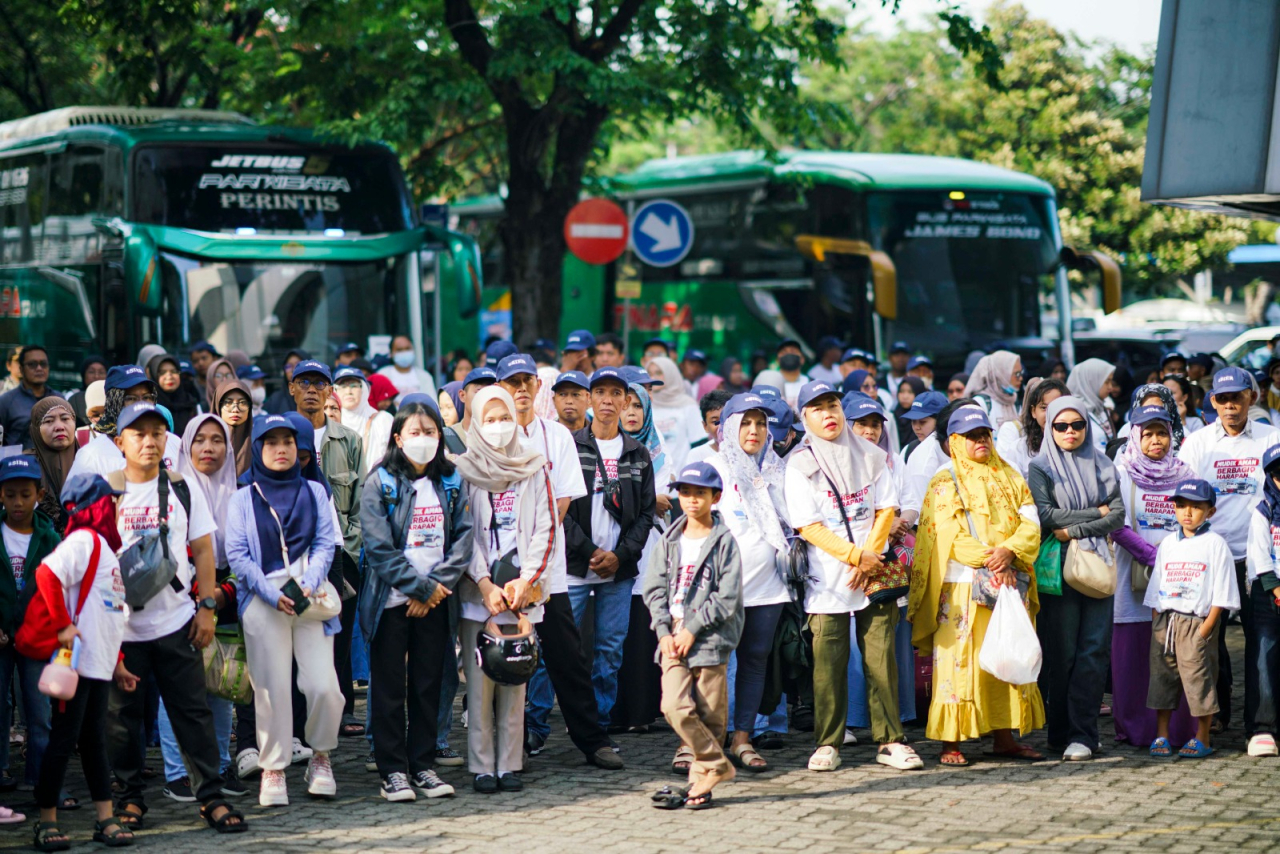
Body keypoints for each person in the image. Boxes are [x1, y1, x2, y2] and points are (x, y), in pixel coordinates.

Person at [105, 402, 245, 833]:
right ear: (120, 442)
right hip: (123, 631)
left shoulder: (182, 487)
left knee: (193, 713)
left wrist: (206, 608)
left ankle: (211, 797)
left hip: (177, 623)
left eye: (157, 433)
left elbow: (203, 549)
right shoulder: (105, 491)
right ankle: (129, 800)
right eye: (138, 434)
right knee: (122, 720)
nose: (149, 441)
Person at [492, 358, 622, 770]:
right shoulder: (490, 435)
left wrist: (533, 562)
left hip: (550, 567)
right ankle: (509, 744)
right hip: (498, 568)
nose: (521, 390)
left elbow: (562, 501)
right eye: (512, 383)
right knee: (503, 655)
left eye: (527, 381)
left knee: (567, 656)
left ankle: (591, 739)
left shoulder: (558, 437)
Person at [785, 381, 920, 772]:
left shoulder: (871, 455)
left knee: (881, 659)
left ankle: (890, 740)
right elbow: (808, 526)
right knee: (828, 663)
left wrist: (870, 557)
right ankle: (828, 742)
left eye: (833, 405)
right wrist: (855, 557)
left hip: (874, 576)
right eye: (817, 409)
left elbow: (886, 507)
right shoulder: (799, 464)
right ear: (804, 417)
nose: (828, 414)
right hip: (827, 581)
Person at [909, 405, 1045, 766]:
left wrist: (1010, 551)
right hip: (962, 589)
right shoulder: (945, 479)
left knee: (1004, 653)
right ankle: (951, 741)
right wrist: (992, 558)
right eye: (971, 436)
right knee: (960, 663)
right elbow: (947, 535)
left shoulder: (1011, 474)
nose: (980, 441)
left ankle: (1004, 737)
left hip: (1007, 582)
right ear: (954, 441)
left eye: (984, 433)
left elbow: (1030, 522)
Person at [225, 414, 342, 806]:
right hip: (264, 599)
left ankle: (320, 757)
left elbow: (327, 543)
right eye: (271, 442)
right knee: (271, 690)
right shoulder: (242, 497)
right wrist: (271, 594)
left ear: (299, 449)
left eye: (288, 442)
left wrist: (309, 583)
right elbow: (238, 556)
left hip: (311, 597)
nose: (280, 449)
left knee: (324, 686)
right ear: (257, 448)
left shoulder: (314, 492)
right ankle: (273, 767)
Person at [359, 397, 470, 801]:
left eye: (430, 432)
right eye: (415, 432)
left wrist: (435, 588)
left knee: (428, 684)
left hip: (436, 602)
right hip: (391, 602)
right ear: (397, 438)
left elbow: (463, 538)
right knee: (389, 688)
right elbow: (378, 548)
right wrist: (420, 588)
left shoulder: (453, 480)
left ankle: (422, 765)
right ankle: (393, 770)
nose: (423, 439)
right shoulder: (380, 482)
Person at [455, 386, 556, 793]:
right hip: (478, 595)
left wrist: (526, 580)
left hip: (520, 595)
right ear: (477, 422)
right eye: (490, 419)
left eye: (504, 419)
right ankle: (482, 764)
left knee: (515, 681)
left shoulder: (533, 466)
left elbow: (547, 529)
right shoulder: (465, 470)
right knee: (479, 684)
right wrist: (483, 583)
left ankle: (510, 763)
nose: (498, 427)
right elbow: (463, 536)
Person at [27, 474, 133, 850]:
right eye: (113, 502)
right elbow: (47, 572)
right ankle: (46, 821)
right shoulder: (84, 540)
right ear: (98, 506)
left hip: (99, 667)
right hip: (76, 666)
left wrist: (117, 663)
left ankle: (105, 817)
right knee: (63, 740)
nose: (118, 508)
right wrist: (62, 625)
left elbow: (108, 614)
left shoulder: (105, 548)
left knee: (93, 743)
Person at [1180, 367, 1280, 736]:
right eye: (1222, 399)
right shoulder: (1198, 443)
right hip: (1212, 557)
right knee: (1211, 640)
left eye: (1237, 396)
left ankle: (1260, 723)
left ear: (1252, 397)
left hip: (1260, 559)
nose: (1230, 405)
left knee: (1261, 642)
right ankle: (1216, 713)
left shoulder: (1273, 437)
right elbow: (1184, 502)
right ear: (1213, 402)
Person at [1028, 396, 1124, 761]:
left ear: (1087, 426)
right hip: (1059, 571)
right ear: (1049, 428)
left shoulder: (1103, 463)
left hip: (1097, 567)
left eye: (1077, 425)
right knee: (1062, 653)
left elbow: (1116, 516)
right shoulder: (1040, 467)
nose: (1070, 432)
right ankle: (1060, 732)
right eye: (1061, 426)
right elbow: (1046, 515)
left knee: (1094, 651)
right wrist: (1091, 515)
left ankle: (1084, 734)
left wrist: (1075, 529)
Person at [644, 461, 744, 811]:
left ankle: (702, 782)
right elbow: (654, 589)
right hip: (672, 637)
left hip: (710, 638)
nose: (691, 500)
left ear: (715, 497)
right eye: (685, 493)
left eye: (700, 493)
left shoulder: (725, 542)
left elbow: (727, 597)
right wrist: (663, 631)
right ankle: (718, 764)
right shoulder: (669, 539)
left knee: (711, 714)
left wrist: (693, 628)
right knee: (673, 705)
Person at [563, 368, 657, 735]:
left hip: (617, 572)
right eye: (598, 391)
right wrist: (588, 551)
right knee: (561, 650)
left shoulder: (637, 453)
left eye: (615, 393)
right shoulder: (571, 446)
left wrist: (619, 555)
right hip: (573, 566)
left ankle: (597, 727)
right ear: (589, 399)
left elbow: (647, 514)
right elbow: (560, 508)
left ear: (624, 400)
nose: (607, 399)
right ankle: (540, 726)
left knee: (609, 654)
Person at [706, 393, 792, 772]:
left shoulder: (779, 470)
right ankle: (707, 740)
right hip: (723, 588)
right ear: (728, 427)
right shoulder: (713, 467)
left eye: (760, 423)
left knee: (755, 661)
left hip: (770, 585)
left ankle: (742, 738)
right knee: (714, 665)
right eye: (745, 423)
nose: (754, 431)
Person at [1111, 404, 1198, 748]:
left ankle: (1177, 730)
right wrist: (1154, 555)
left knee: (1176, 653)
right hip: (1133, 576)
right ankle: (1136, 729)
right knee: (1133, 656)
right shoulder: (1122, 472)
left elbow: (1200, 520)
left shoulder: (1185, 472)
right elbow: (1116, 524)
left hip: (1179, 579)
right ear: (1135, 436)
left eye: (1162, 432)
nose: (1156, 441)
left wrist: (1174, 555)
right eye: (1147, 434)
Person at [289, 360, 365, 737]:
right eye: (304, 382)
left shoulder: (348, 439)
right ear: (292, 388)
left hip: (342, 550)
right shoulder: (282, 435)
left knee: (339, 631)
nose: (311, 389)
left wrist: (351, 540)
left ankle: (342, 709)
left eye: (319, 383)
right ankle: (299, 716)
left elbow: (362, 498)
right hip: (291, 554)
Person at [1145, 479, 1240, 758]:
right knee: (1163, 678)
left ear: (1210, 512)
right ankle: (1162, 734)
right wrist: (1156, 621)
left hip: (1197, 623)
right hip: (1167, 621)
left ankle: (1203, 736)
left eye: (1196, 507)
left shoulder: (1215, 544)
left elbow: (1222, 592)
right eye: (1181, 505)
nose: (1187, 512)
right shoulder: (1168, 545)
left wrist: (1206, 628)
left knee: (1199, 679)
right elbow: (1157, 584)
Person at [176, 413, 242, 788]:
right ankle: (178, 771)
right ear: (186, 444)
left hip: (226, 594)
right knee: (182, 687)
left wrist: (219, 595)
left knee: (223, 681)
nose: (208, 448)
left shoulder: (238, 494)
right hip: (182, 598)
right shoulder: (174, 492)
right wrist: (201, 596)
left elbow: (243, 552)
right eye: (199, 439)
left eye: (217, 440)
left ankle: (220, 763)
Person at [614, 381, 673, 735]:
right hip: (616, 552)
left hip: (651, 551)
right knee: (618, 634)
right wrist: (649, 501)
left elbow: (665, 499)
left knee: (645, 629)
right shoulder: (609, 449)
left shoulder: (660, 452)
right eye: (626, 405)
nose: (632, 412)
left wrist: (646, 502)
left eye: (638, 406)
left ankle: (646, 710)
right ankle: (618, 711)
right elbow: (650, 500)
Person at [0, 456, 60, 800]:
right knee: (1, 707)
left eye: (25, 494)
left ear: (38, 495)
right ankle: (2, 771)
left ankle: (42, 778)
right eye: (10, 495)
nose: (18, 502)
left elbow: (59, 586)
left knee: (39, 711)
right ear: (1, 497)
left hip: (37, 637)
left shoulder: (48, 538)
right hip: (1, 637)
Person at [65, 366, 182, 481]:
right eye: (131, 398)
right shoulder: (92, 455)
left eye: (147, 397)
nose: (140, 405)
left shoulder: (173, 442)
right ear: (113, 402)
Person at [1245, 445, 1280, 757]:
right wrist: (1275, 588)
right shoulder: (1263, 510)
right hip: (1270, 595)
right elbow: (1259, 552)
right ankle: (1263, 727)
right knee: (1265, 658)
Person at [996, 378, 1067, 478]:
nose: (1050, 414)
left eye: (1056, 407)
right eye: (1044, 408)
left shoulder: (1077, 444)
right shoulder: (1019, 450)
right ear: (1033, 411)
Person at [644, 357, 703, 473]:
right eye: (649, 374)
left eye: (659, 373)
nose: (653, 377)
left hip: (682, 477)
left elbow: (698, 443)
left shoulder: (687, 404)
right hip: (651, 478)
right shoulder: (644, 404)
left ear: (671, 374)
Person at [29, 397, 79, 532]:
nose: (59, 427)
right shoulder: (26, 469)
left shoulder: (91, 462)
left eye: (65, 419)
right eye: (49, 421)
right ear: (36, 429)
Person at [334, 367, 394, 475]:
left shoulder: (383, 420)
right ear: (335, 391)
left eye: (354, 386)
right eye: (343, 386)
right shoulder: (330, 423)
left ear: (364, 390)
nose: (348, 391)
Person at [0, 344, 61, 449]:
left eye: (43, 364)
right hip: (17, 463)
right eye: (32, 364)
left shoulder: (59, 399)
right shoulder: (6, 401)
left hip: (51, 463)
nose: (39, 368)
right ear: (22, 369)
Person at [962, 351, 1022, 428]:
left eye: (1021, 373)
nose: (1020, 378)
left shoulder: (1014, 401)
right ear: (1001, 374)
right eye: (1016, 374)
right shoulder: (980, 403)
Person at [1066, 358, 1119, 443]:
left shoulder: (1102, 408)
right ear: (1091, 382)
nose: (1110, 387)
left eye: (1111, 382)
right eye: (1106, 382)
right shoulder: (1075, 413)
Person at [146, 354, 199, 436]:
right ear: (154, 376)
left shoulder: (191, 404)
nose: (169, 376)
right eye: (162, 372)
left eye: (174, 371)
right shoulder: (151, 405)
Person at [377, 336, 438, 405]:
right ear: (391, 353)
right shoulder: (382, 375)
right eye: (399, 350)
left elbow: (433, 404)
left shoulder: (424, 377)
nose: (404, 352)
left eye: (407, 349)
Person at [687, 389, 732, 465]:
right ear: (705, 426)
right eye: (715, 422)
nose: (722, 427)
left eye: (727, 419)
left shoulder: (750, 448)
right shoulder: (697, 456)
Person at [263, 348, 309, 415]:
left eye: (298, 365)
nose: (293, 370)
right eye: (288, 366)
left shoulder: (319, 394)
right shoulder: (275, 400)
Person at [68, 356, 108, 428]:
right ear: (83, 375)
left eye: (101, 372)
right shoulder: (75, 399)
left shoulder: (114, 397)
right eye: (91, 372)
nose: (96, 376)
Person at [775, 340, 810, 409]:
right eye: (784, 352)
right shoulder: (770, 384)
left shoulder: (811, 384)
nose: (789, 354)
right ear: (777, 360)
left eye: (793, 352)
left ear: (802, 359)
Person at [893, 376, 926, 442]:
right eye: (902, 391)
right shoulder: (892, 416)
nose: (905, 396)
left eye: (910, 392)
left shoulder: (924, 418)